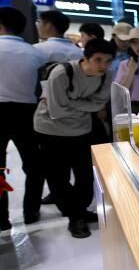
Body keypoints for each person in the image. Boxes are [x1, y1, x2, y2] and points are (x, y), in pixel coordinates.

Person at [34, 39, 115, 238]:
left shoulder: (106, 76)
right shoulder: (62, 73)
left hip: (82, 130)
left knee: (85, 175)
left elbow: (98, 104)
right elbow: (56, 111)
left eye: (108, 61)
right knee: (58, 177)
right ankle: (75, 217)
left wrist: (71, 102)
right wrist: (85, 105)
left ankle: (79, 211)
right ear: (85, 58)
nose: (103, 65)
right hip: (51, 130)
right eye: (98, 60)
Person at [0, 8, 49, 230]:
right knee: (34, 166)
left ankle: (1, 219)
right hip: (27, 113)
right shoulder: (35, 53)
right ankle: (31, 211)